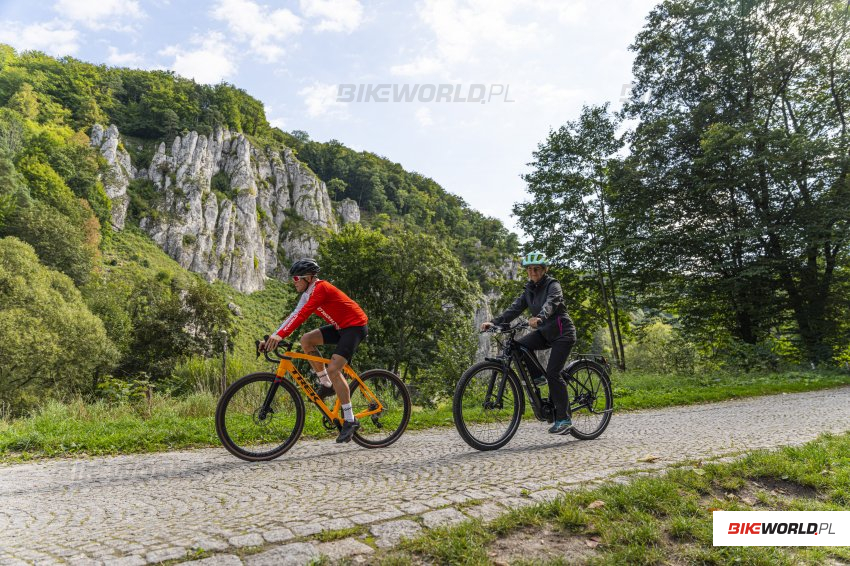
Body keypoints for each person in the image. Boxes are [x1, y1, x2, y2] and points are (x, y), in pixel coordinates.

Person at [260, 258, 369, 443]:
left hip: (355, 326)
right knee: (306, 340)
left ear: (308, 278)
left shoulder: (321, 289)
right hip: (340, 326)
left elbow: (302, 316)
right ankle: (326, 385)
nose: (293, 282)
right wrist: (274, 336)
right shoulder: (306, 294)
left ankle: (350, 420)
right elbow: (294, 314)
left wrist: (281, 336)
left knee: (335, 369)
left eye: (296, 278)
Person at [480, 251, 577, 434]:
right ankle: (537, 377)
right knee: (520, 345)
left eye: (536, 269)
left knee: (553, 373)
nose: (532, 272)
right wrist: (494, 322)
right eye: (529, 269)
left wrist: (539, 317)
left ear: (544, 269)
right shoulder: (529, 289)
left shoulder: (552, 285)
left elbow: (552, 302)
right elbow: (514, 309)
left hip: (562, 333)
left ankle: (564, 419)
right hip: (544, 332)